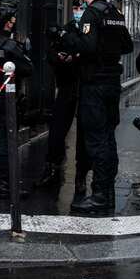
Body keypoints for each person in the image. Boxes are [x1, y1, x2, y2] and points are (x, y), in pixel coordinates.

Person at [61, 0, 133, 214]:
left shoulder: (92, 13)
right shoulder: (115, 13)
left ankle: (99, 195)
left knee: (96, 141)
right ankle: (108, 192)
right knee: (108, 138)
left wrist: (69, 38)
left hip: (95, 84)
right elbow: (127, 45)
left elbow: (87, 46)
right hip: (113, 82)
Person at [0, 7, 34, 196]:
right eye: (12, 20)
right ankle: (6, 185)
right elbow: (28, 69)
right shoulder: (11, 46)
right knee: (5, 139)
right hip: (5, 97)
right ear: (8, 23)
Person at [34, 10, 81, 190]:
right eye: (76, 8)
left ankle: (81, 176)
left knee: (86, 133)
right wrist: (62, 59)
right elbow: (51, 54)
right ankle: (53, 169)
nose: (78, 12)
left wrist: (75, 58)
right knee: (57, 128)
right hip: (67, 86)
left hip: (84, 86)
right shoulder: (66, 30)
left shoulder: (90, 30)